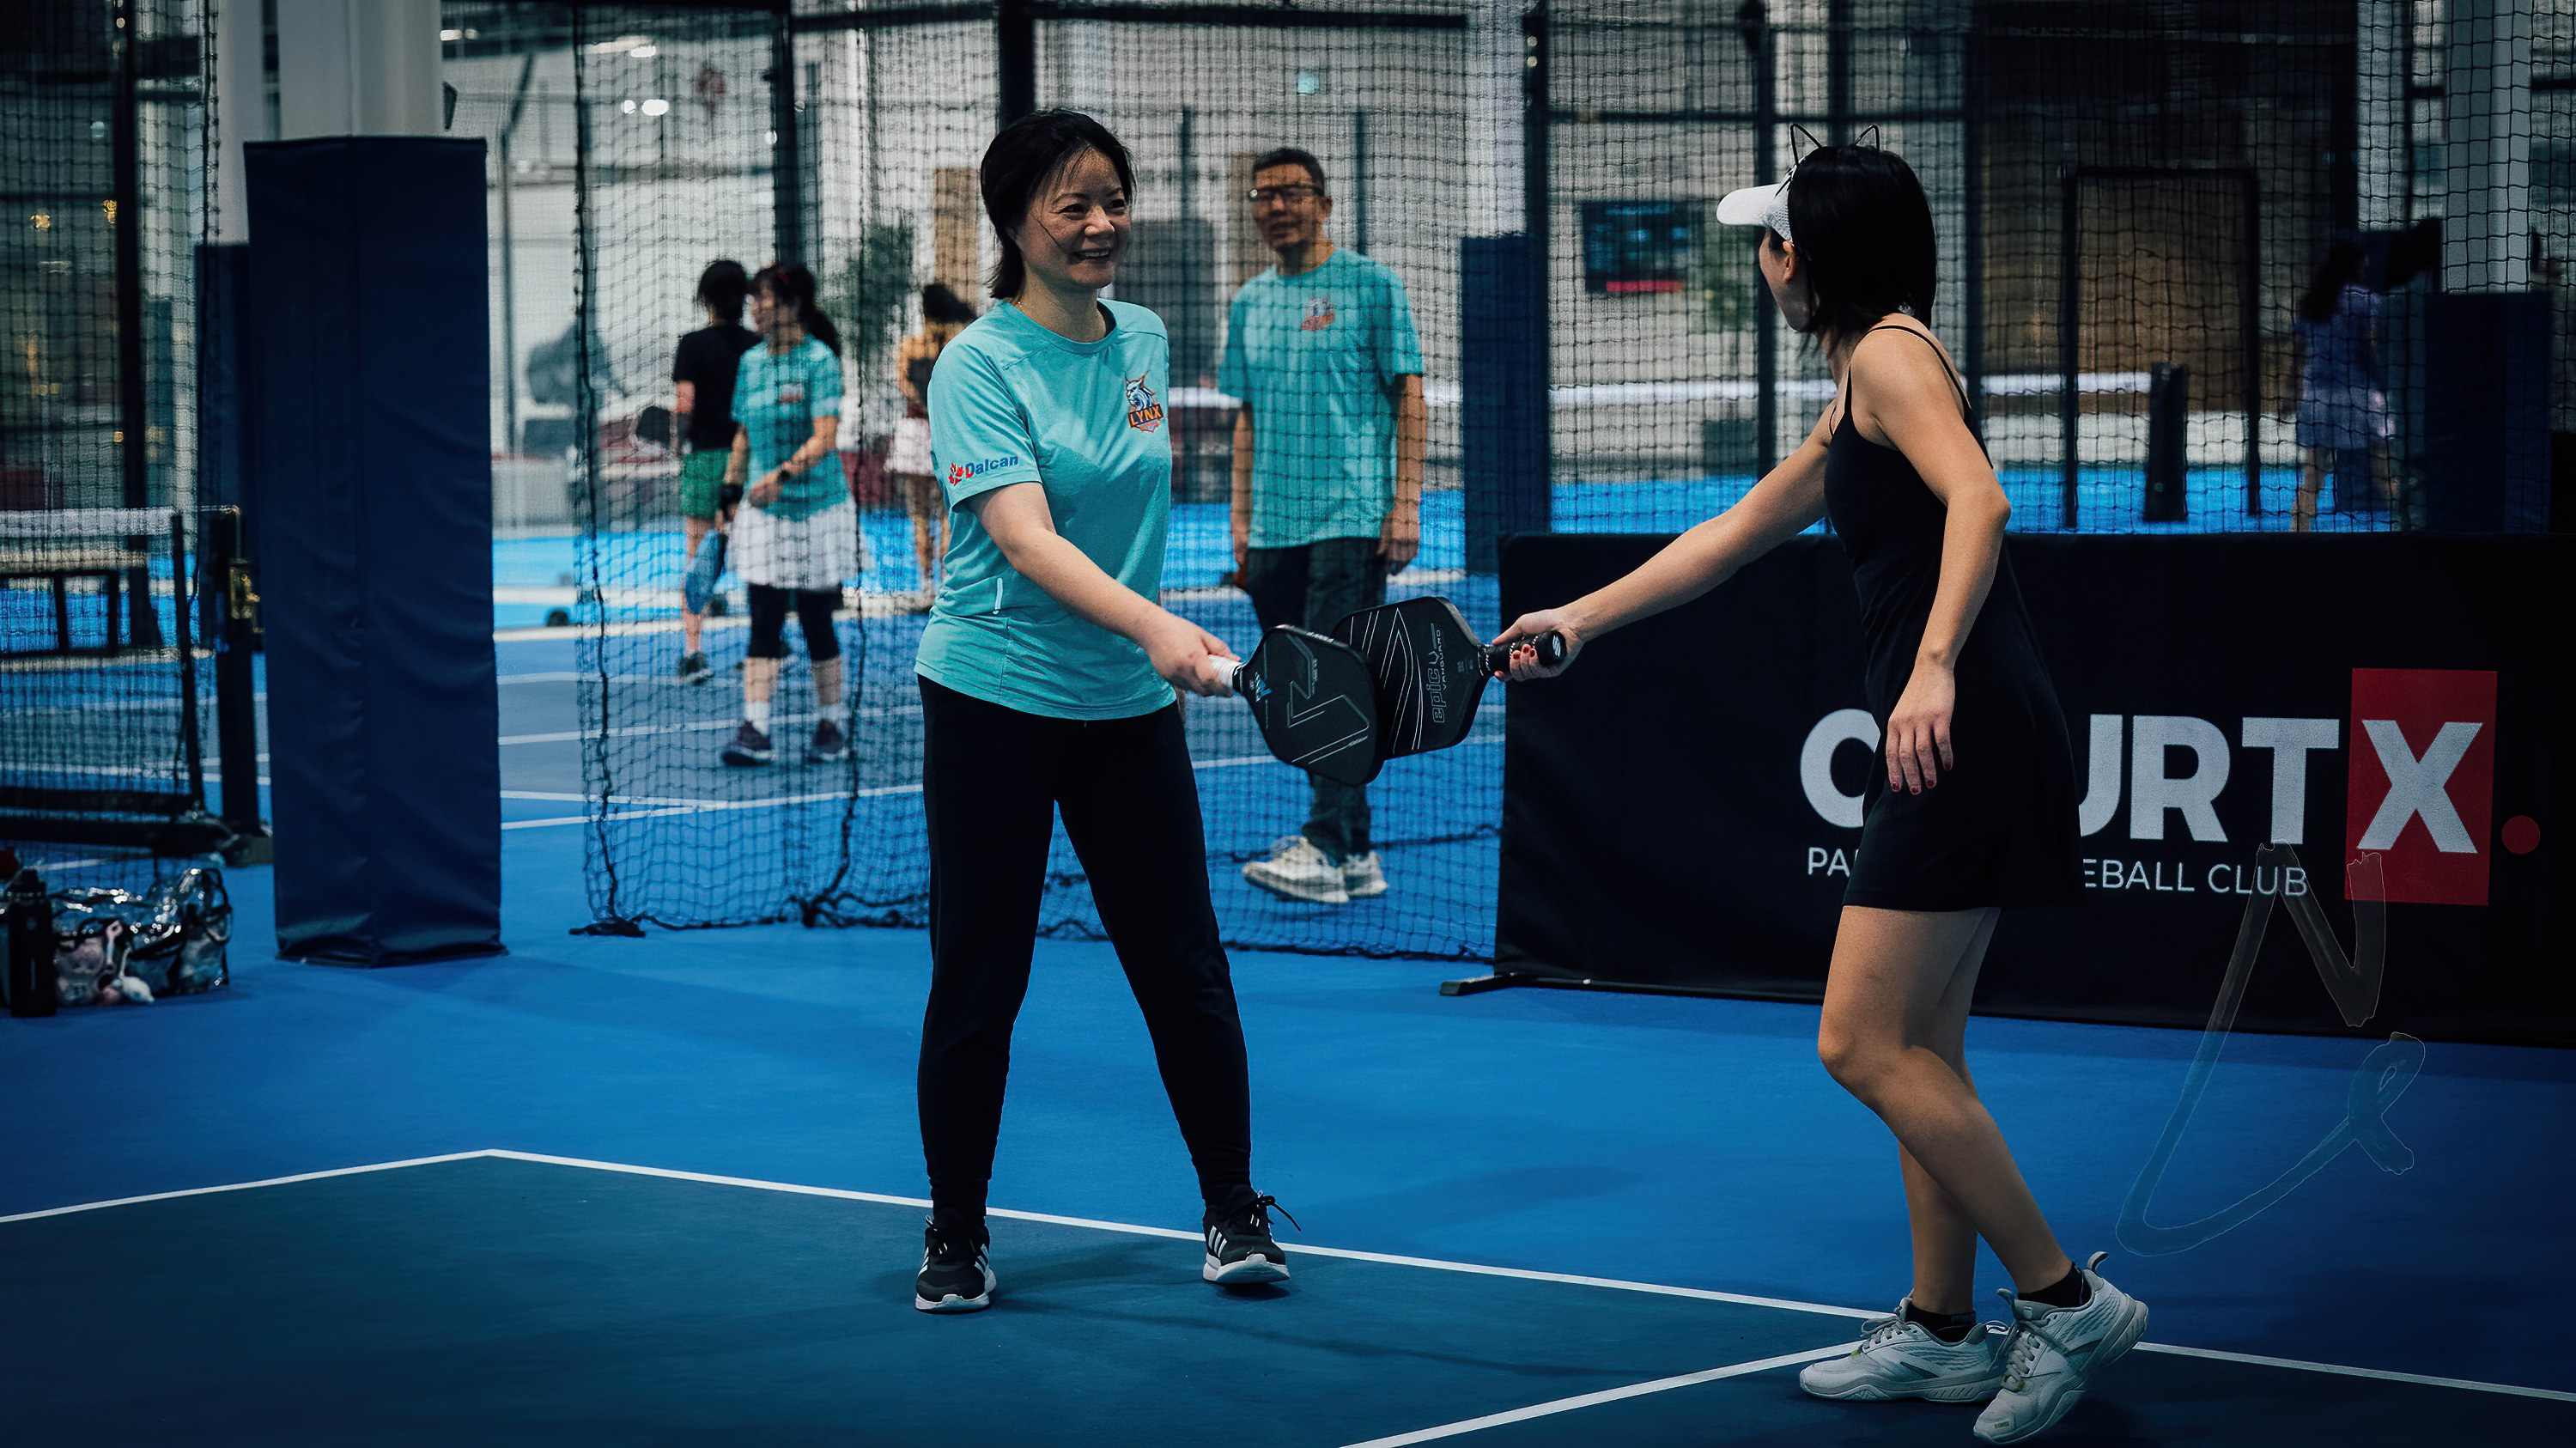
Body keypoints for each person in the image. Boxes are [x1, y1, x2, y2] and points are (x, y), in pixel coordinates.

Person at [1496, 144, 2148, 1445]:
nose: (1761, 261)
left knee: (1859, 1042)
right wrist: (1580, 619)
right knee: (1922, 1049)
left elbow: (1981, 500)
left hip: (1962, 727)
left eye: (1770, 241)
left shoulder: (1893, 360)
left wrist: (1931, 667)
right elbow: (1733, 535)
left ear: (1806, 258)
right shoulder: (1867, 373)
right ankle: (1943, 1331)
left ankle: (2066, 1302)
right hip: (1981, 726)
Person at [910, 109, 1291, 1314]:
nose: (1100, 224)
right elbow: (1024, 537)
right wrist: (1156, 627)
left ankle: (1233, 1208)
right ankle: (957, 1230)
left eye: (1113, 200)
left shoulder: (1145, 338)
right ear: (1014, 220)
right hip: (996, 691)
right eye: (1072, 204)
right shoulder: (978, 364)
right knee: (981, 975)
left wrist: (1145, 642)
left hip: (1125, 704)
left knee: (1184, 963)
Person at [1222, 146, 1426, 906]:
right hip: (1272, 530)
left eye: (1291, 193)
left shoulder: (1372, 286)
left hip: (1349, 518)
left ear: (1324, 203)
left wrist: (1405, 504)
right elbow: (1246, 419)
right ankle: (1358, 851)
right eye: (1263, 195)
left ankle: (1325, 844)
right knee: (1294, 687)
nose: (1276, 207)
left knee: (1329, 686)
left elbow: (1409, 396)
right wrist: (1240, 522)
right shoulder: (1249, 302)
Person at [717, 262, 857, 768]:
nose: (755, 307)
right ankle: (755, 728)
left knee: (817, 619)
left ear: (793, 305)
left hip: (818, 509)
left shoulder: (820, 360)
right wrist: (730, 488)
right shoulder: (751, 362)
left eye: (765, 299)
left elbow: (825, 437)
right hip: (764, 512)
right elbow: (744, 434)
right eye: (754, 299)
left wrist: (782, 475)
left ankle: (832, 725)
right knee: (764, 617)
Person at [671, 259, 760, 682]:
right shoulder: (758, 346)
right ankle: (764, 646)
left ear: (705, 298)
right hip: (750, 459)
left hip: (705, 459)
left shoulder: (692, 345)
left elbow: (685, 403)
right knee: (756, 557)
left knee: (697, 559)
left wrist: (676, 438)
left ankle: (693, 652)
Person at [2289, 241, 2397, 533]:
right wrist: (2383, 381)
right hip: (2359, 395)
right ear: (2355, 265)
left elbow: (2298, 354)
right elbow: (2370, 345)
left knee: (2312, 479)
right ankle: (2409, 533)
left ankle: (2296, 537)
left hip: (2317, 399)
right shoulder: (2366, 299)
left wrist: (2290, 393)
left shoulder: (2311, 302)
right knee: (2385, 473)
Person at [889, 283, 981, 611]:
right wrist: (936, 404)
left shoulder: (910, 345)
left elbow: (903, 383)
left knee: (918, 516)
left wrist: (922, 401)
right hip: (946, 432)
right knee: (947, 515)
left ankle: (926, 587)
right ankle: (944, 588)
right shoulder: (957, 344)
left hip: (914, 432)